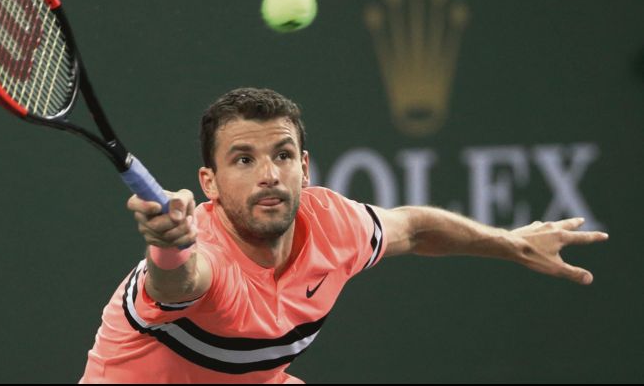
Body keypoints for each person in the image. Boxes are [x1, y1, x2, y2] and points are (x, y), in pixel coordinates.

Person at [80, 87, 608, 384]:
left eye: (282, 155)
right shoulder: (207, 258)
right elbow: (179, 282)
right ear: (209, 183)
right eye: (244, 159)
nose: (269, 175)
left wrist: (513, 244)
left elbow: (416, 228)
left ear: (304, 167)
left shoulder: (333, 223)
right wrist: (168, 243)